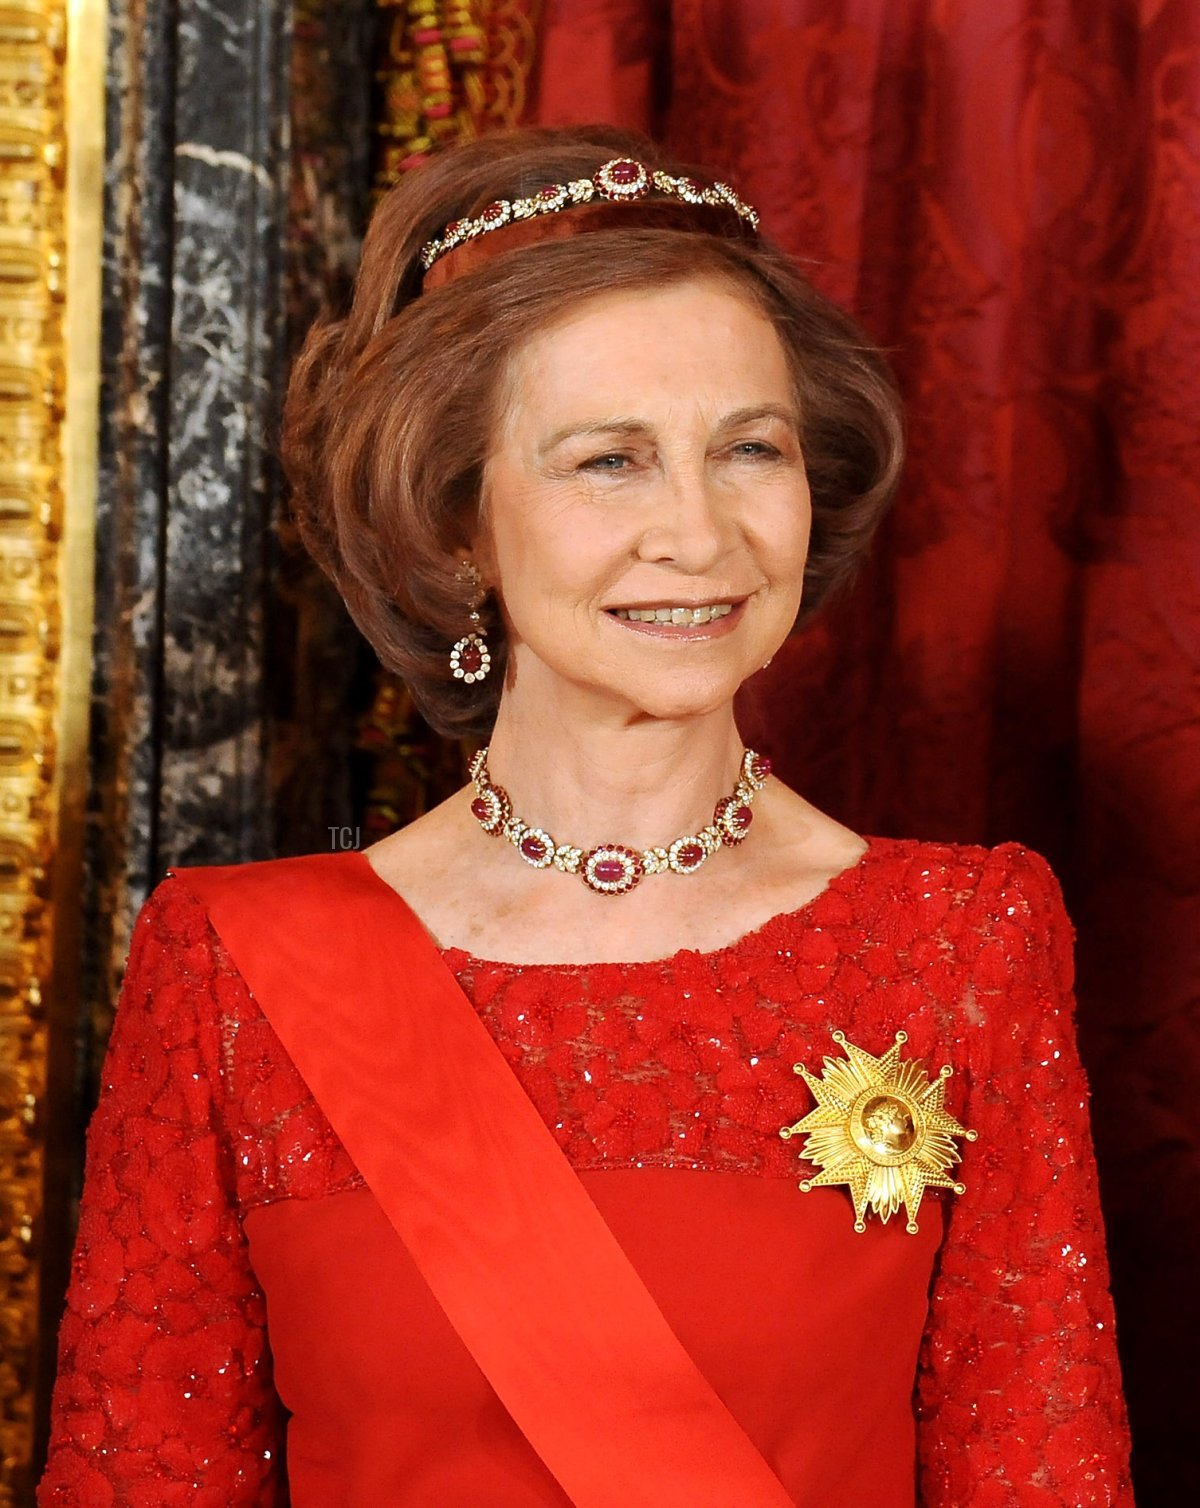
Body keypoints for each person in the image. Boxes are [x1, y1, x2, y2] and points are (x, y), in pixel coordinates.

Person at [39, 126, 1134, 1507]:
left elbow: (1043, 1473)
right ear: (455, 524)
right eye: (608, 461)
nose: (699, 532)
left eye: (749, 448)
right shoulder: (232, 973)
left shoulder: (962, 944)